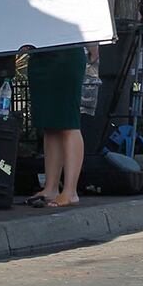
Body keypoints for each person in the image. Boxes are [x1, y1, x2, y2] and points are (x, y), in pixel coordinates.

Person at [24, 45, 87, 208]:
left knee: (68, 122)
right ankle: (50, 188)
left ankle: (70, 191)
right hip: (39, 54)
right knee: (49, 126)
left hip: (66, 54)